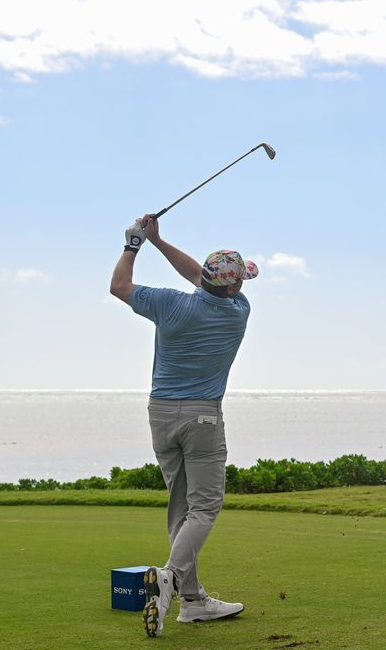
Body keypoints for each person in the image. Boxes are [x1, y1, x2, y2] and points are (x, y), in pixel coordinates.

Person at [109, 213, 257, 637]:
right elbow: (203, 279)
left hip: (160, 412)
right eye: (240, 280)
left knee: (180, 505)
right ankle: (171, 577)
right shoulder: (237, 311)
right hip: (203, 415)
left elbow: (119, 286)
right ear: (232, 287)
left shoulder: (170, 303)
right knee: (205, 506)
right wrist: (158, 242)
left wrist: (137, 244)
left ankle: (193, 602)